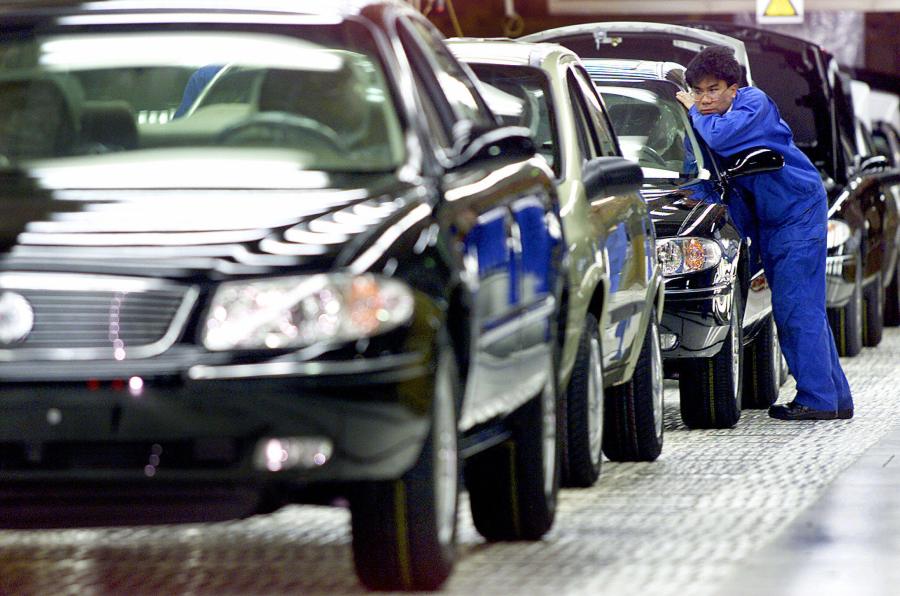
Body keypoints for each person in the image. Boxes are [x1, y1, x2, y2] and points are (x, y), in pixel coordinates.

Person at [675, 45, 853, 421]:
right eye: (699, 92)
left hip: (797, 212)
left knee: (795, 309)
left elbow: (722, 138)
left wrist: (691, 110)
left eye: (713, 90)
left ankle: (818, 400)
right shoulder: (712, 118)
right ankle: (835, 397)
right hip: (773, 220)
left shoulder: (753, 103)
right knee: (805, 308)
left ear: (733, 88)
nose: (706, 100)